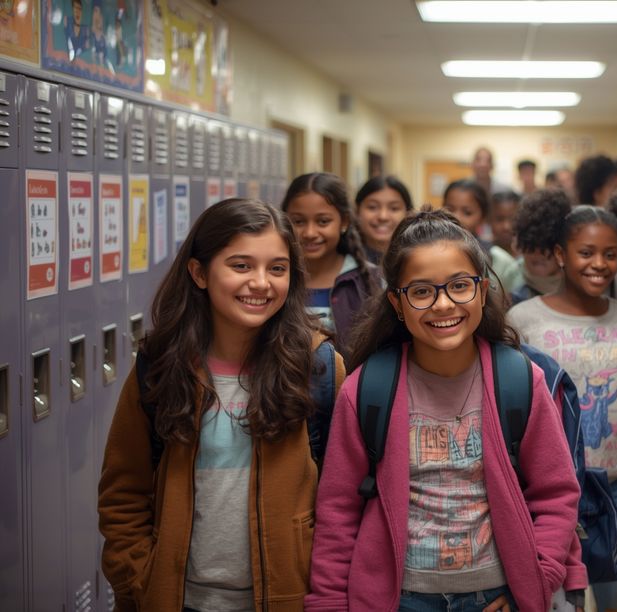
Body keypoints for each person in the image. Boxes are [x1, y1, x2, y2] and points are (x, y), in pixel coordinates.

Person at [305, 210, 585, 611]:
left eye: (459, 286)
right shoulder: (367, 389)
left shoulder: (520, 380)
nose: (443, 304)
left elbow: (556, 494)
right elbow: (338, 513)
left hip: (494, 596)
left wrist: (534, 581)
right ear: (397, 303)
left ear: (482, 290)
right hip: (398, 600)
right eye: (421, 292)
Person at [98, 198, 346, 611]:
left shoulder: (317, 367)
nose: (261, 283)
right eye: (241, 266)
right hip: (177, 599)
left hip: (287, 599)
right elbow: (123, 492)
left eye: (277, 269)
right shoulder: (160, 366)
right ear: (199, 272)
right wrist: (141, 579)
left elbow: (342, 500)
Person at [508, 192, 617, 612]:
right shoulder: (523, 321)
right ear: (560, 255)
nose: (599, 263)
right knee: (559, 600)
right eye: (586, 252)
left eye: (610, 254)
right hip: (549, 491)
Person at [282, 172, 380, 359]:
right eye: (298, 221)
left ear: (344, 221)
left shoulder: (373, 280)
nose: (310, 233)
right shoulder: (275, 278)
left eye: (323, 221)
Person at [442, 179, 524, 295]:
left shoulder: (499, 260)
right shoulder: (429, 252)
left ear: (483, 217)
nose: (456, 217)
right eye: (450, 210)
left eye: (467, 212)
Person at [510, 189, 566, 305]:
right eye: (531, 243)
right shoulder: (511, 284)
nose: (538, 253)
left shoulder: (583, 291)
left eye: (547, 244)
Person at [354, 174, 414, 264]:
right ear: (357, 211)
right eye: (372, 207)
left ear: (408, 213)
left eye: (394, 208)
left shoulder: (416, 257)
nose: (383, 216)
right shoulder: (342, 260)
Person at [489, 190, 521, 257]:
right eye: (499, 219)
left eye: (513, 220)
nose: (506, 227)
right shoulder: (481, 255)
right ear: (489, 220)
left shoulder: (529, 257)